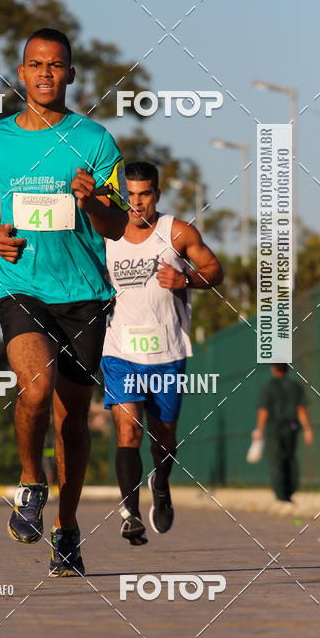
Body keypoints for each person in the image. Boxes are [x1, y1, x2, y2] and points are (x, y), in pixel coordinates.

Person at [0, 28, 129, 576]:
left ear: (71, 74)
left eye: (56, 65)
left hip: (84, 293)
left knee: (72, 420)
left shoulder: (96, 141)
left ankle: (67, 527)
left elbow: (117, 223)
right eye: (36, 64)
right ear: (21, 72)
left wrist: (93, 200)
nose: (45, 74)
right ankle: (31, 482)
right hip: (20, 284)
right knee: (35, 388)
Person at [101, 162, 223, 544]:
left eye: (145, 195)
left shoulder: (178, 232)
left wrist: (186, 279)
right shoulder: (107, 233)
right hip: (119, 349)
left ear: (157, 194)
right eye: (130, 196)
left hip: (167, 351)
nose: (137, 204)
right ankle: (130, 513)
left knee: (163, 439)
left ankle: (161, 482)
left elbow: (214, 270)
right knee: (128, 430)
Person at [253, 363, 313, 502]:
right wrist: (307, 429)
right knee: (290, 457)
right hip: (292, 428)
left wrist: (259, 430)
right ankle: (290, 491)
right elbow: (301, 409)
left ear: (274, 369)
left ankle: (281, 495)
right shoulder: (295, 387)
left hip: (274, 429)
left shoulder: (268, 387)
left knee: (276, 460)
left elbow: (263, 410)